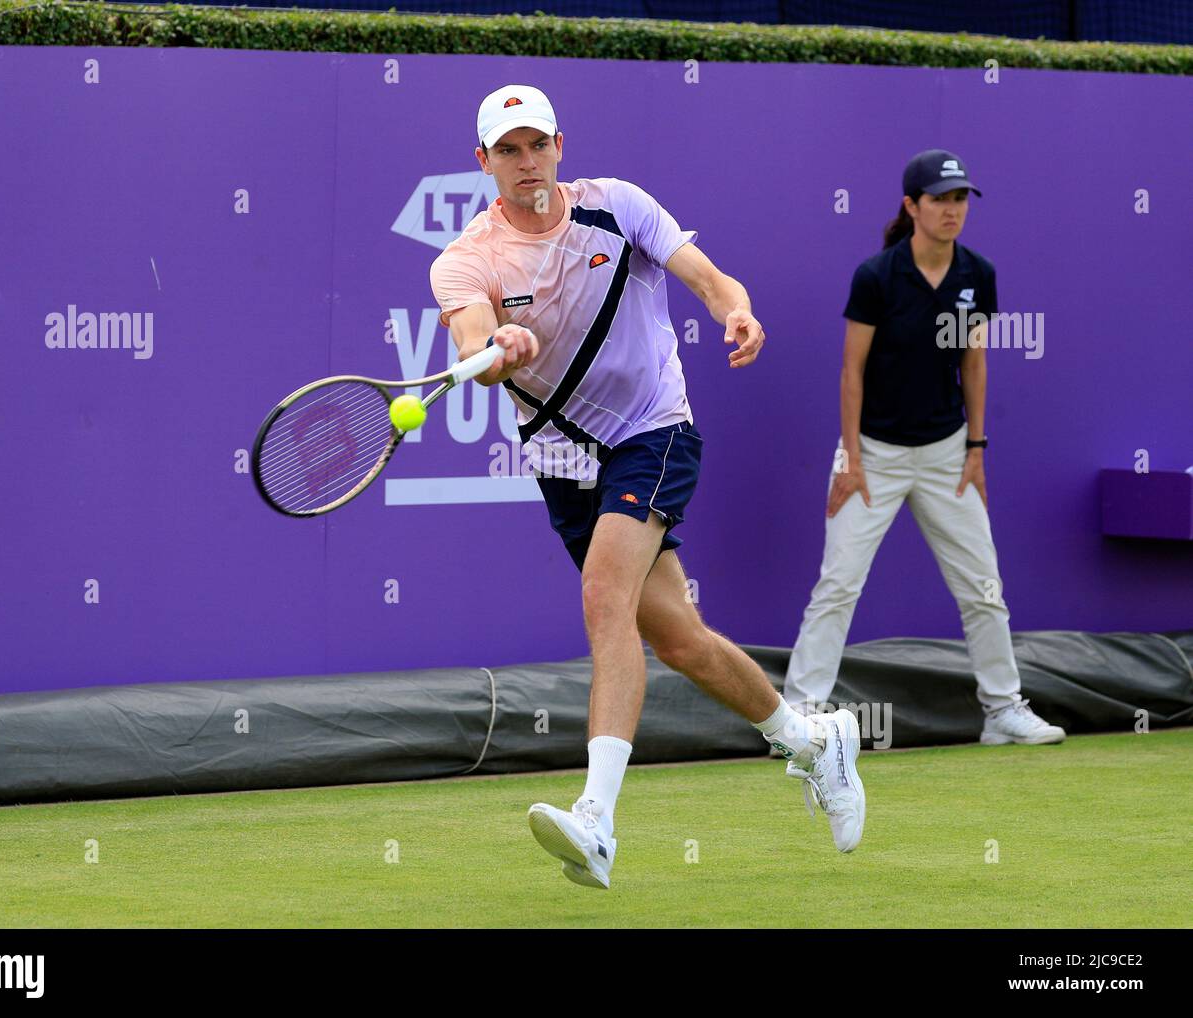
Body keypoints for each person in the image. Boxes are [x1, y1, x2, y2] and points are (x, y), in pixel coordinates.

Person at [429, 84, 866, 889]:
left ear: (561, 143)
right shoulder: (465, 259)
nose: (528, 163)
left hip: (652, 431)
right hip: (563, 462)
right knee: (677, 639)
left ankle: (596, 821)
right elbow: (474, 336)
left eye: (539, 145)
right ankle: (813, 741)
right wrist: (502, 345)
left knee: (604, 595)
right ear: (482, 162)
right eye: (509, 150)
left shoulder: (618, 206)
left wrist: (737, 309)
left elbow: (708, 277)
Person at [782, 149, 1066, 751]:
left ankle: (1002, 710)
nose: (952, 210)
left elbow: (973, 362)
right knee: (838, 585)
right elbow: (850, 372)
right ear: (912, 206)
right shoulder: (877, 276)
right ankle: (797, 718)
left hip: (947, 453)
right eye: (940, 199)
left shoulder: (976, 274)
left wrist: (976, 450)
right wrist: (853, 461)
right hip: (871, 456)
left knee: (984, 588)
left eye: (960, 199)